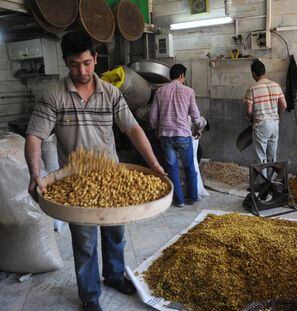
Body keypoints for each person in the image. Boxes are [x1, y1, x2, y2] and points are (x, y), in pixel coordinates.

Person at [24, 31, 165, 311]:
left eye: (87, 63)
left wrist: (155, 165)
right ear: (66, 62)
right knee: (85, 242)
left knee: (115, 234)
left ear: (95, 59)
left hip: (112, 176)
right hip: (75, 181)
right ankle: (89, 295)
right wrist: (35, 173)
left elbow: (133, 128)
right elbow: (34, 137)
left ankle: (113, 276)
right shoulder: (53, 96)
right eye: (75, 65)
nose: (82, 70)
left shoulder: (111, 93)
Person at [149, 64, 201, 207]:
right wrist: (198, 128)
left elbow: (153, 117)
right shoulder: (189, 91)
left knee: (172, 169)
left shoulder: (160, 92)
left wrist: (155, 128)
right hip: (183, 135)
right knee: (189, 167)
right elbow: (195, 116)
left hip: (165, 136)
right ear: (181, 76)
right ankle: (193, 197)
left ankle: (179, 200)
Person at [243, 59, 287, 178]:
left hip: (261, 124)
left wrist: (251, 118)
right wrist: (277, 115)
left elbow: (248, 111)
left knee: (260, 156)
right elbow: (284, 105)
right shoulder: (276, 85)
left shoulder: (252, 89)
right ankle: (271, 182)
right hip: (274, 124)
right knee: (272, 155)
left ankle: (262, 183)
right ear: (264, 71)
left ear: (253, 74)